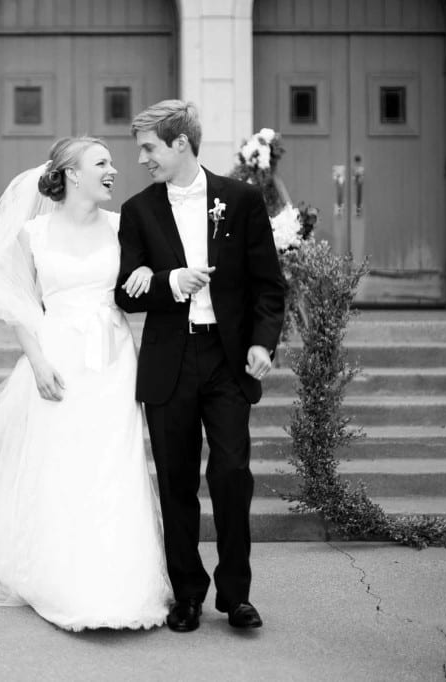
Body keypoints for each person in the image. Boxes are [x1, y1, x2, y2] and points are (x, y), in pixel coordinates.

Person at [0, 136, 171, 631]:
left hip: (113, 357)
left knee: (114, 461)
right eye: (102, 162)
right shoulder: (33, 234)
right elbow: (15, 298)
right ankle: (59, 575)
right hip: (58, 352)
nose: (114, 170)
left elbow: (147, 268)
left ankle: (120, 581)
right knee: (61, 460)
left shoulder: (124, 226)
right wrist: (36, 360)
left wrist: (147, 267)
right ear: (73, 174)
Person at [114, 101, 286, 632]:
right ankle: (186, 592)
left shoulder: (241, 200)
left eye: (149, 148)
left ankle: (236, 595)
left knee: (232, 475)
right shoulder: (139, 210)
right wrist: (169, 282)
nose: (142, 158)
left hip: (227, 361)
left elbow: (269, 286)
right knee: (176, 481)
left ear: (181, 144)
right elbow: (124, 291)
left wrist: (263, 344)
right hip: (171, 361)